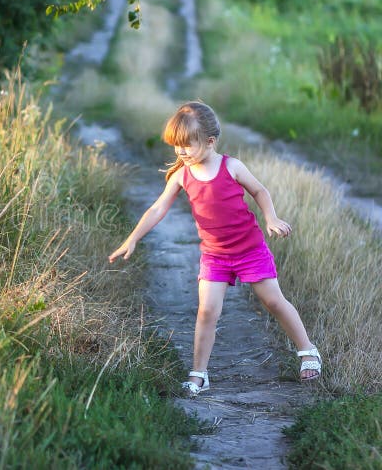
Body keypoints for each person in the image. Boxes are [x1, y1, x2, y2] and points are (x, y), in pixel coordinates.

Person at [108, 101, 321, 396]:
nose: (181, 152)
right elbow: (157, 209)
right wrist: (132, 238)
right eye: (176, 146)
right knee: (207, 311)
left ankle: (308, 351)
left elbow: (259, 191)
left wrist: (271, 218)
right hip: (215, 256)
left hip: (250, 250)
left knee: (273, 301)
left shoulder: (231, 166)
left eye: (187, 145)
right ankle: (199, 374)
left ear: (210, 141)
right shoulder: (182, 175)